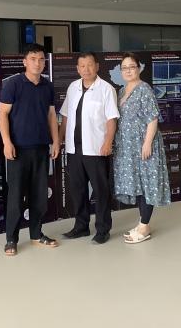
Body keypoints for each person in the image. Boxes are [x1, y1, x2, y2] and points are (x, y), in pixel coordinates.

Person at [0, 44, 60, 256]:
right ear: (24, 61)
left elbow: (51, 115)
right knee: (16, 197)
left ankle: (36, 234)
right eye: (33, 59)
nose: (38, 63)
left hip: (41, 148)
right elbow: (3, 114)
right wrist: (7, 142)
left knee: (39, 195)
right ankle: (11, 239)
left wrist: (56, 141)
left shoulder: (47, 86)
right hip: (18, 150)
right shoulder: (13, 84)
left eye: (41, 59)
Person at [59, 52, 119, 245]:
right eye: (82, 66)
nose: (86, 69)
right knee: (78, 189)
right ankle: (81, 226)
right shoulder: (73, 87)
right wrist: (59, 139)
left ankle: (103, 229)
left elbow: (111, 119)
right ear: (78, 69)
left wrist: (108, 142)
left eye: (90, 65)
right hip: (74, 149)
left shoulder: (106, 89)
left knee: (101, 191)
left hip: (96, 149)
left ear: (97, 66)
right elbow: (65, 116)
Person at [113, 52, 171, 243]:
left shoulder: (144, 89)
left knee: (147, 184)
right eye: (124, 68)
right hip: (127, 147)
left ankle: (145, 226)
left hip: (144, 144)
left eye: (132, 67)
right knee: (137, 184)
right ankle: (141, 222)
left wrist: (147, 143)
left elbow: (153, 118)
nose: (128, 71)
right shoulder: (122, 91)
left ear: (139, 68)